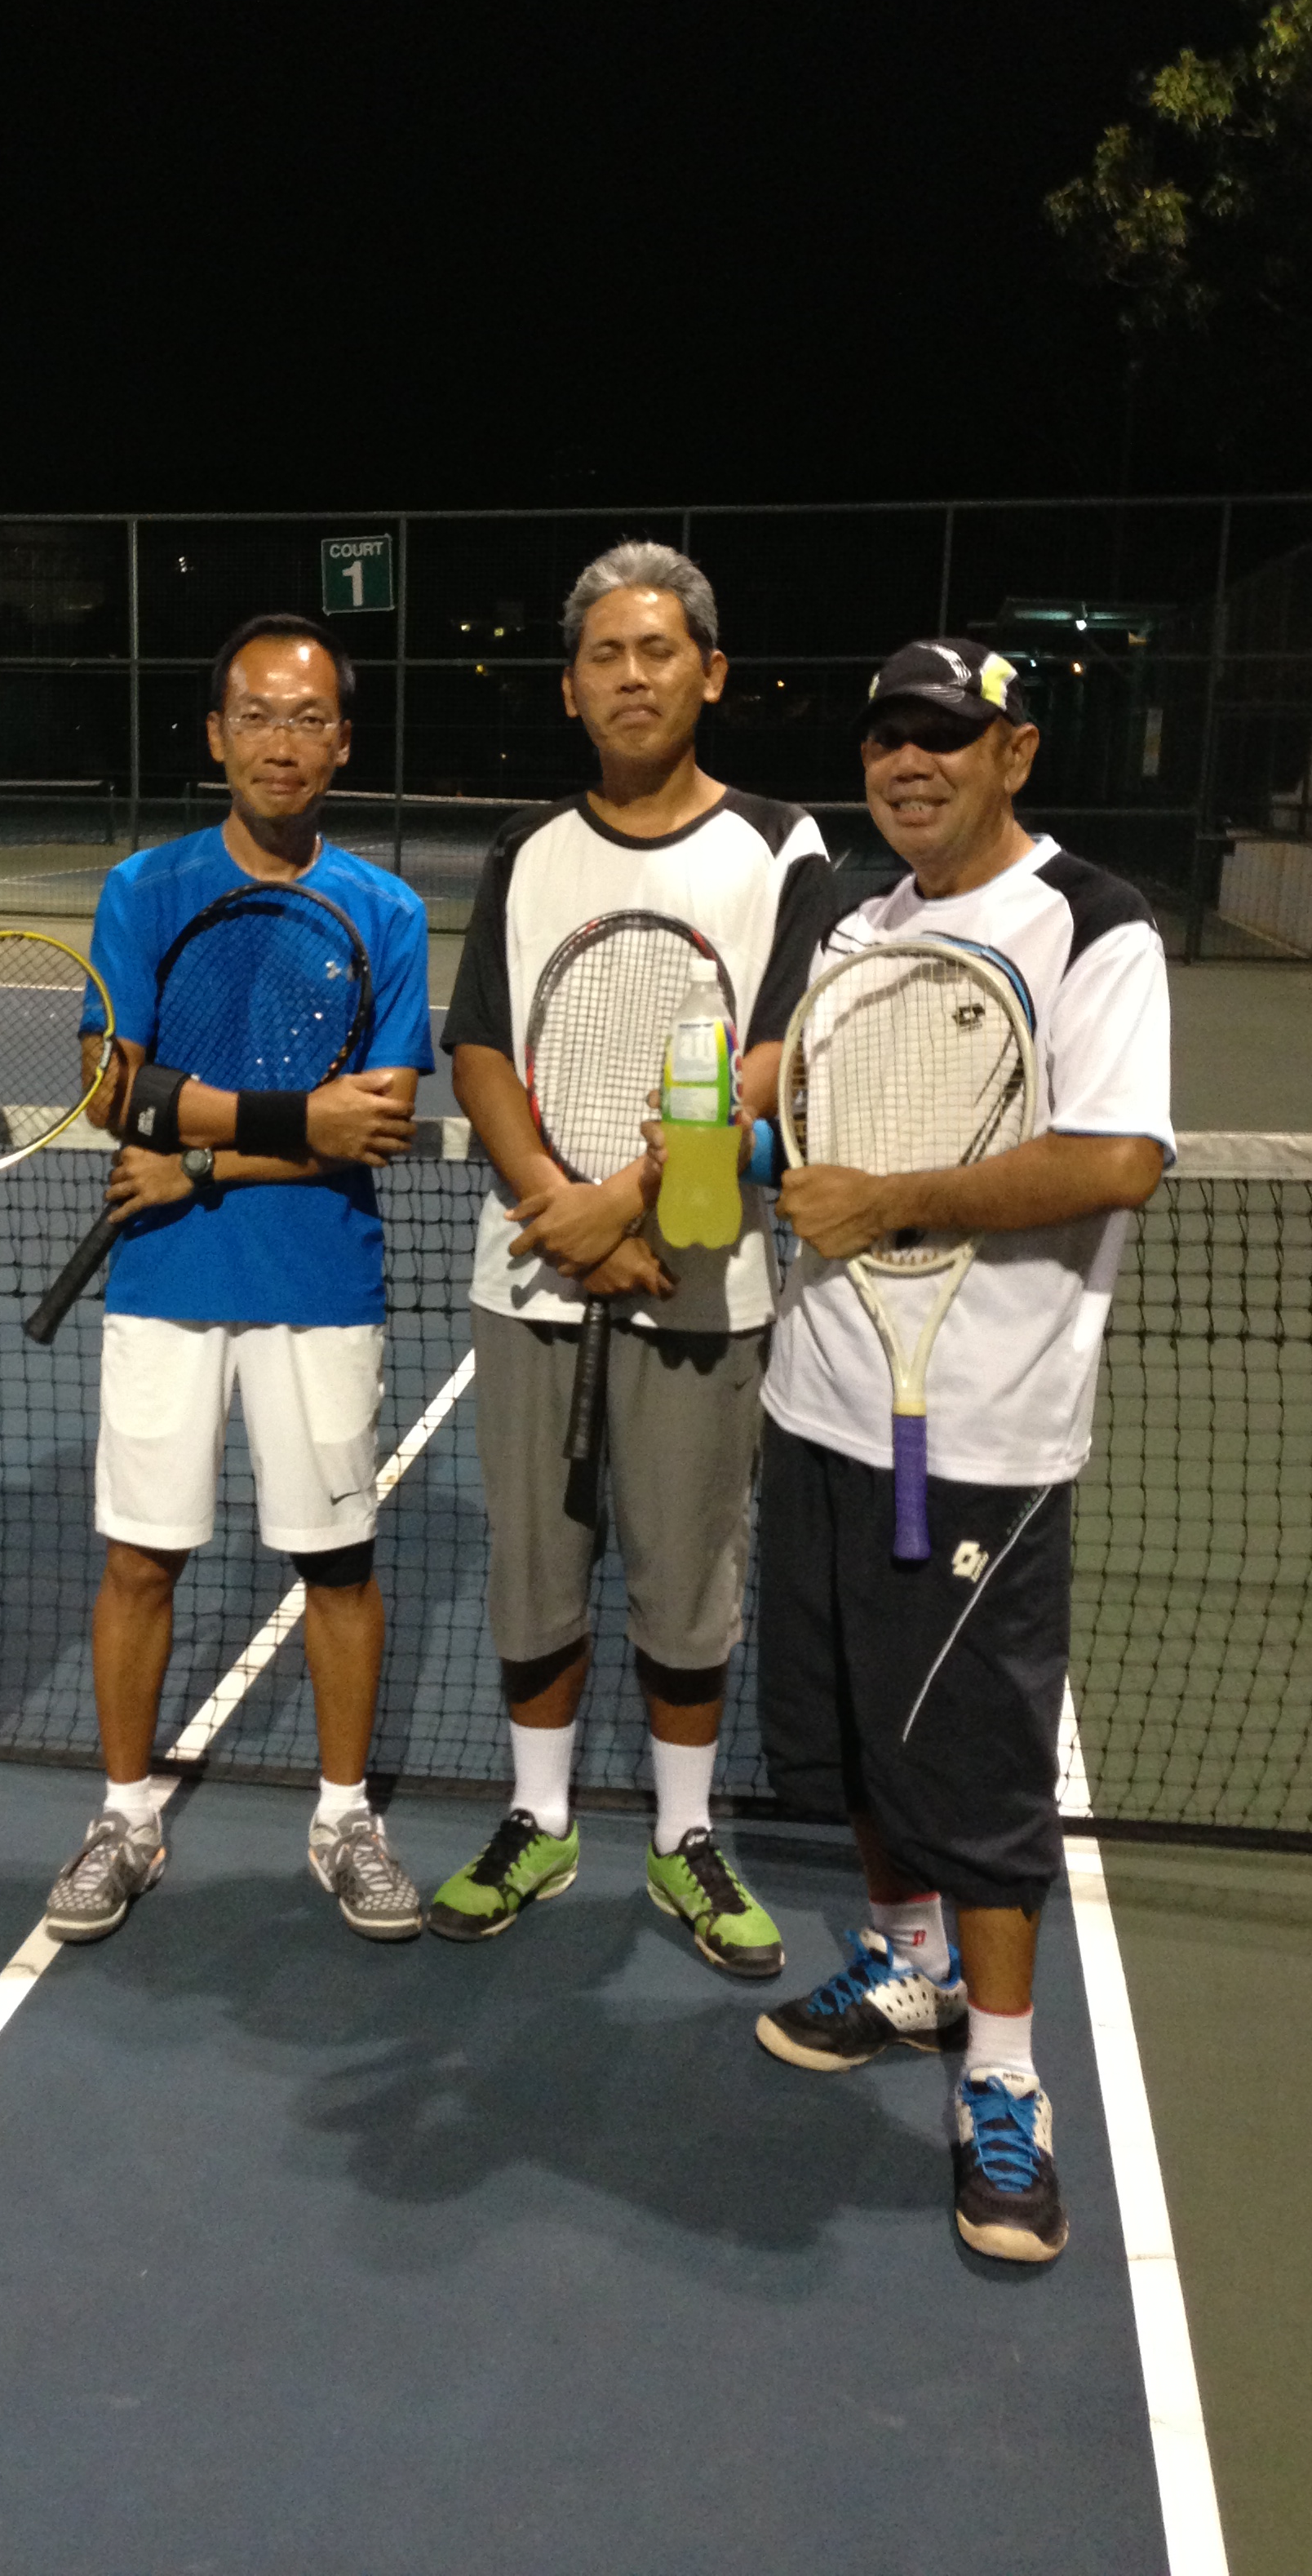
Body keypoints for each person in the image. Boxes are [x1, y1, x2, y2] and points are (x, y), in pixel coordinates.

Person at [753, 636, 1172, 2264]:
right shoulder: (857, 922)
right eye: (887, 738)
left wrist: (894, 1200)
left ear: (1016, 751)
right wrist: (724, 1125)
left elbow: (1117, 1158)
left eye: (944, 735)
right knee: (863, 1737)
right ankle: (908, 1963)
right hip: (819, 1405)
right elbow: (804, 1106)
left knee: (979, 1774)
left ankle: (1004, 2076)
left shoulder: (1094, 925)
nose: (909, 763)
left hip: (984, 1432)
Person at [432, 540, 832, 1965]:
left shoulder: (782, 846)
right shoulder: (525, 849)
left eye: (658, 651)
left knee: (687, 1579)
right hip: (533, 1273)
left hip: (705, 1280)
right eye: (603, 654)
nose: (632, 675)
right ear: (569, 688)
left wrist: (632, 1200)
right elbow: (481, 1045)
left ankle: (683, 1837)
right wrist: (561, 1202)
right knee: (535, 1572)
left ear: (710, 674)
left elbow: (778, 1053)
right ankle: (539, 1818)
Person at [43, 613, 433, 1944]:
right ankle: (125, 1815)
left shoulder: (387, 911)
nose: (283, 740)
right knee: (140, 1559)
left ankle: (344, 1818)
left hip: (320, 1281)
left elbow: (373, 1124)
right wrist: (290, 1123)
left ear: (343, 742)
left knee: (339, 1564)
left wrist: (201, 1157)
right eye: (258, 715)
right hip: (165, 1280)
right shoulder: (145, 890)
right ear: (217, 735)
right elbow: (111, 1089)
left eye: (309, 718)